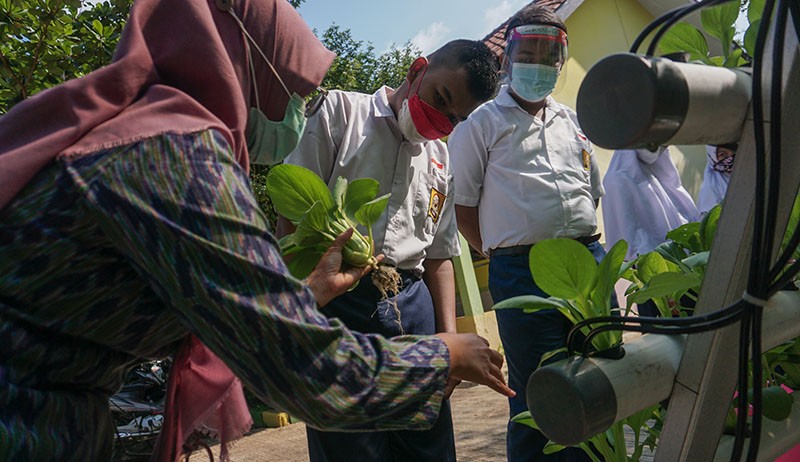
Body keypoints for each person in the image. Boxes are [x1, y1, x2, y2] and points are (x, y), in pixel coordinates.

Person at [0, 1, 514, 461]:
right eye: (293, 92)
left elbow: (229, 314)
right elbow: (298, 366)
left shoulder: (161, 142)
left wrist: (306, 295)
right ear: (244, 67)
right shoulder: (176, 163)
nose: (297, 111)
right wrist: (442, 354)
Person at [278, 39, 501, 462]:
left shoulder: (441, 158)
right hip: (340, 306)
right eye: (440, 99)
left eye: (456, 118)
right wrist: (301, 315)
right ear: (418, 69)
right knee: (349, 445)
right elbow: (291, 219)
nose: (441, 121)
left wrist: (447, 340)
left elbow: (439, 256)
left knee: (426, 446)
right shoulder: (339, 114)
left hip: (413, 307)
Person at [448, 5, 608, 461]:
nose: (537, 63)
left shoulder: (572, 121)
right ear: (507, 57)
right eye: (528, 51)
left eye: (548, 54)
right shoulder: (480, 126)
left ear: (561, 61)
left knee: (599, 374)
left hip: (587, 261)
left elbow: (590, 191)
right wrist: (505, 254)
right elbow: (462, 209)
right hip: (521, 273)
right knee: (542, 390)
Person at [602, 147, 700, 317]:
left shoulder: (660, 170)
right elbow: (626, 235)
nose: (656, 147)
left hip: (681, 262)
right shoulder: (618, 179)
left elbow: (684, 213)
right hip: (651, 270)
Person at [699, 143, 738, 214]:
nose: (731, 157)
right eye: (723, 154)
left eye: (735, 150)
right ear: (713, 157)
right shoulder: (711, 187)